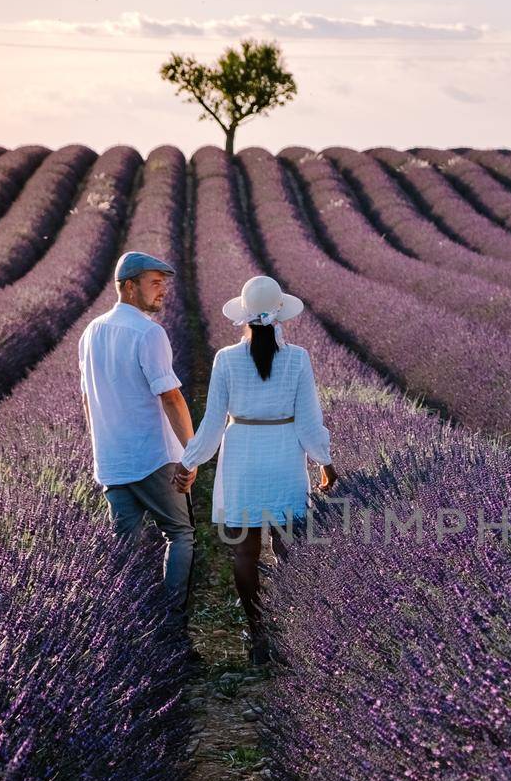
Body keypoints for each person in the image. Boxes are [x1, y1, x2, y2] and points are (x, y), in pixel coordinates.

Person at [174, 274, 337, 665]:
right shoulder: (297, 358)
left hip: (242, 457)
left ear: (243, 316)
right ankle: (292, 631)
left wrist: (189, 462)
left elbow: (212, 424)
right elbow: (309, 422)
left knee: (244, 555)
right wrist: (326, 462)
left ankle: (259, 635)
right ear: (281, 314)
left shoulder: (226, 359)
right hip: (284, 455)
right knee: (289, 550)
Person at [78, 250, 197, 638]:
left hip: (111, 461)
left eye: (165, 284)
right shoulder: (148, 333)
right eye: (154, 283)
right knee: (179, 534)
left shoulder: (90, 331)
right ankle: (170, 627)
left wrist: (101, 444)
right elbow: (171, 397)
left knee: (123, 550)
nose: (163, 291)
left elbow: (86, 399)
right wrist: (192, 454)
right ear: (128, 287)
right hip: (152, 457)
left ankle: (129, 632)